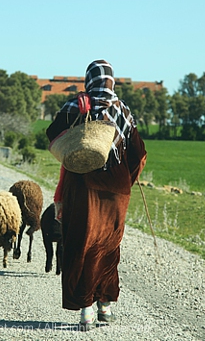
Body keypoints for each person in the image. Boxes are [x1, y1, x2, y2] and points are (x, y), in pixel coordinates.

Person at [46, 59, 147, 331]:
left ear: (88, 80)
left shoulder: (74, 105)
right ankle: (105, 306)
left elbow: (52, 135)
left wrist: (77, 126)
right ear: (112, 80)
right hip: (117, 191)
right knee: (108, 246)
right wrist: (127, 179)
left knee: (81, 244)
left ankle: (86, 311)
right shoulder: (122, 110)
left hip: (82, 188)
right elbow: (139, 153)